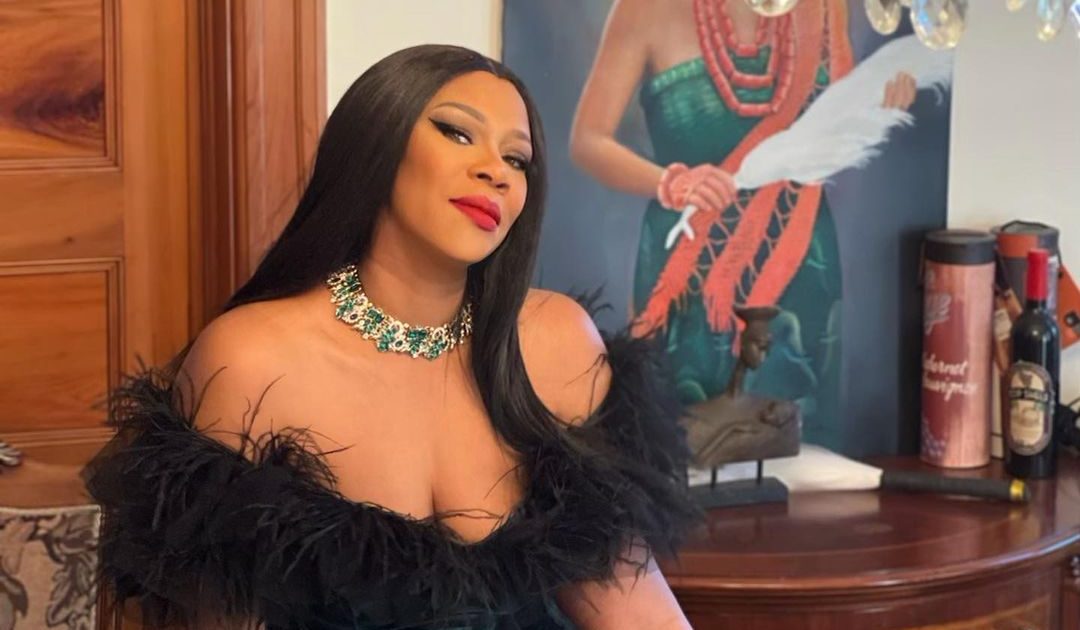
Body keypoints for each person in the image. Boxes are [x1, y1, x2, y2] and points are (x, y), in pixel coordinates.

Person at [81, 45, 702, 629]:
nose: (496, 172)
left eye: (517, 160)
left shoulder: (557, 341)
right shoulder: (251, 360)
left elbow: (630, 606)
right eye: (457, 132)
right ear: (377, 138)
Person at [569, 0, 916, 448]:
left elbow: (833, 126)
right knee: (676, 453)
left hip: (800, 269)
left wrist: (880, 105)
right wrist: (671, 183)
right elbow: (588, 140)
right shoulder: (644, 9)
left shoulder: (824, 9)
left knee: (798, 460)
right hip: (685, 274)